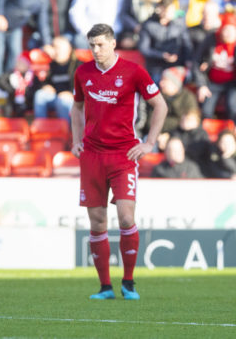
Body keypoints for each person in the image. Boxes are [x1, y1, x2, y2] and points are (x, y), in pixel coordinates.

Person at [71, 23, 168, 300]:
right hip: (92, 155)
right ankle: (105, 287)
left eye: (100, 44)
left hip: (124, 154)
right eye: (92, 45)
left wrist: (149, 142)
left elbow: (160, 104)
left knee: (126, 217)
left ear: (113, 44)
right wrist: (76, 140)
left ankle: (128, 281)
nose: (96, 50)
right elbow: (76, 108)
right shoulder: (83, 72)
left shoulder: (133, 71)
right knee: (98, 221)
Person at [193, 13, 236, 122]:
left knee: (233, 108)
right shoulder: (210, 40)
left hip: (234, 83)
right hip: (212, 81)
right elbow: (196, 61)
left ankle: (230, 133)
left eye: (232, 31)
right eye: (226, 30)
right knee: (206, 110)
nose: (229, 34)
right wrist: (201, 85)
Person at [33, 36, 81, 123]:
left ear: (68, 49)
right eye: (53, 47)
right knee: (40, 95)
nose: (55, 51)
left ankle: (66, 131)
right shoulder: (51, 65)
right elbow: (41, 82)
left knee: (62, 101)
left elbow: (85, 87)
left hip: (72, 99)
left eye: (57, 47)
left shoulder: (78, 65)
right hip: (56, 96)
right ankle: (41, 128)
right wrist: (45, 86)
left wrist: (72, 94)